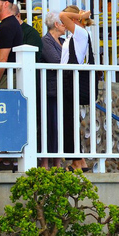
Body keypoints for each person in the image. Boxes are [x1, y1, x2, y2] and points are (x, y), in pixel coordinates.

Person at [60, 5, 95, 172]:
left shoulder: (81, 33)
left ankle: (76, 161)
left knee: (68, 121)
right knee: (69, 121)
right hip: (67, 79)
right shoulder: (75, 36)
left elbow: (61, 15)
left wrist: (82, 15)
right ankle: (79, 160)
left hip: (71, 80)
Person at [40, 11, 65, 169]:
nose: (65, 26)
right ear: (56, 24)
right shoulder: (46, 41)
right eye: (63, 22)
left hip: (62, 90)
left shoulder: (63, 40)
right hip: (50, 90)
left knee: (59, 126)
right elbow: (56, 61)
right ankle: (45, 163)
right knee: (49, 126)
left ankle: (57, 162)